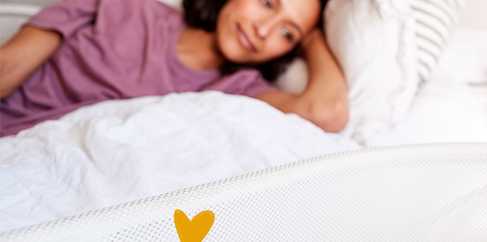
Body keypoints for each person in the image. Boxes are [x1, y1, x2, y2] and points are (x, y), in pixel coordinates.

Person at [0, 0, 348, 137]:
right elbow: (6, 68)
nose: (263, 30)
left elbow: (326, 111)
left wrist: (313, 38)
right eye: (267, 3)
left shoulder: (238, 89)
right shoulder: (126, 7)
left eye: (286, 33)